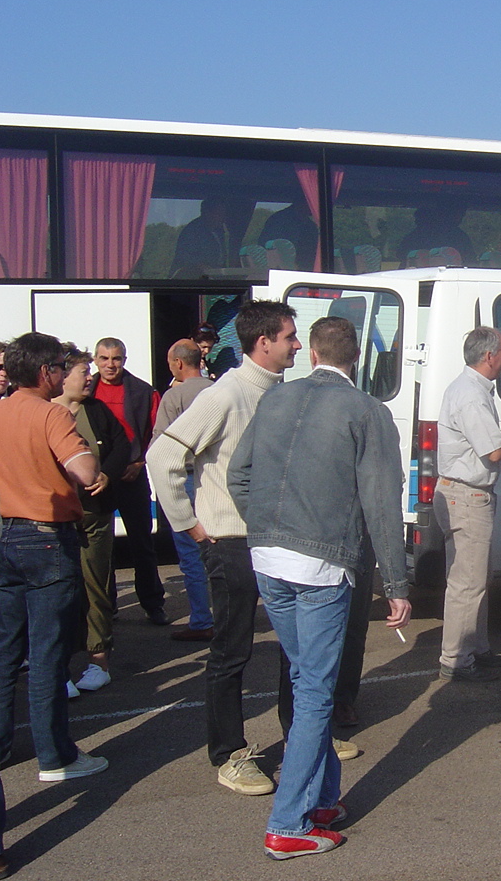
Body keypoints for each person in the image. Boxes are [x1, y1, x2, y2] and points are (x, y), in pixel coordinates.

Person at [227, 315, 412, 860]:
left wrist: (264, 526)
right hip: (320, 565)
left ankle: (322, 797)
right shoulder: (368, 411)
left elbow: (240, 474)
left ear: (310, 351)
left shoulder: (276, 400)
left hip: (268, 557)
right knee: (314, 694)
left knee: (309, 677)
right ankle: (288, 822)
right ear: (357, 357)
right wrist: (397, 582)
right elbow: (381, 500)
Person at [147, 300, 300, 796]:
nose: (298, 344)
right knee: (232, 650)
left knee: (294, 645)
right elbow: (164, 454)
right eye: (290, 337)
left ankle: (299, 734)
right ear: (264, 343)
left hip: (277, 539)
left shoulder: (282, 391)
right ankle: (230, 754)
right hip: (231, 541)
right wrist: (190, 526)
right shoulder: (225, 394)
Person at [0, 333, 108, 877]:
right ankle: (55, 755)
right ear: (45, 372)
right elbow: (84, 471)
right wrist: (86, 469)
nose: (69, 374)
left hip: (3, 536)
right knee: (47, 655)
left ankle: (2, 745)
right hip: (45, 536)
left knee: (3, 651)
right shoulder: (48, 416)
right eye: (62, 367)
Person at [436, 327, 501, 682]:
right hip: (467, 495)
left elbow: (485, 440)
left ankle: (477, 648)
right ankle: (456, 658)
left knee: (476, 578)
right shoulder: (471, 395)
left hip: (462, 492)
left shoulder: (470, 389)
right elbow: (494, 451)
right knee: (467, 582)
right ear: (489, 357)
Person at [53, 344, 128, 694]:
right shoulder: (44, 412)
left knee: (94, 585)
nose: (90, 378)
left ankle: (99, 660)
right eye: (83, 372)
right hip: (53, 518)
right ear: (61, 375)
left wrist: (108, 476)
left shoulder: (96, 410)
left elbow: (120, 447)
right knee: (58, 594)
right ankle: (60, 668)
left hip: (94, 514)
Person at [91, 337, 167, 625]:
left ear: (124, 359)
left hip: (132, 476)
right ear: (96, 361)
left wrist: (139, 462)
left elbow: (157, 433)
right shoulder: (88, 390)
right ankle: (106, 605)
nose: (111, 365)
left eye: (116, 359)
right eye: (104, 359)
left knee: (142, 543)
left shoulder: (143, 392)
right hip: (98, 478)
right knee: (102, 545)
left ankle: (152, 603)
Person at [153, 339, 215, 642]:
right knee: (222, 550)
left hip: (188, 479)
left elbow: (159, 446)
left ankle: (202, 619)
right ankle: (231, 617)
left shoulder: (174, 396)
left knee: (191, 555)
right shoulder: (218, 391)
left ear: (178, 363)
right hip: (217, 479)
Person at [172, 198, 231, 276]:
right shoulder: (192, 231)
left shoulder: (219, 232)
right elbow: (185, 258)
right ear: (207, 213)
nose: (223, 218)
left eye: (224, 214)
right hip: (192, 282)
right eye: (220, 214)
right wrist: (201, 267)